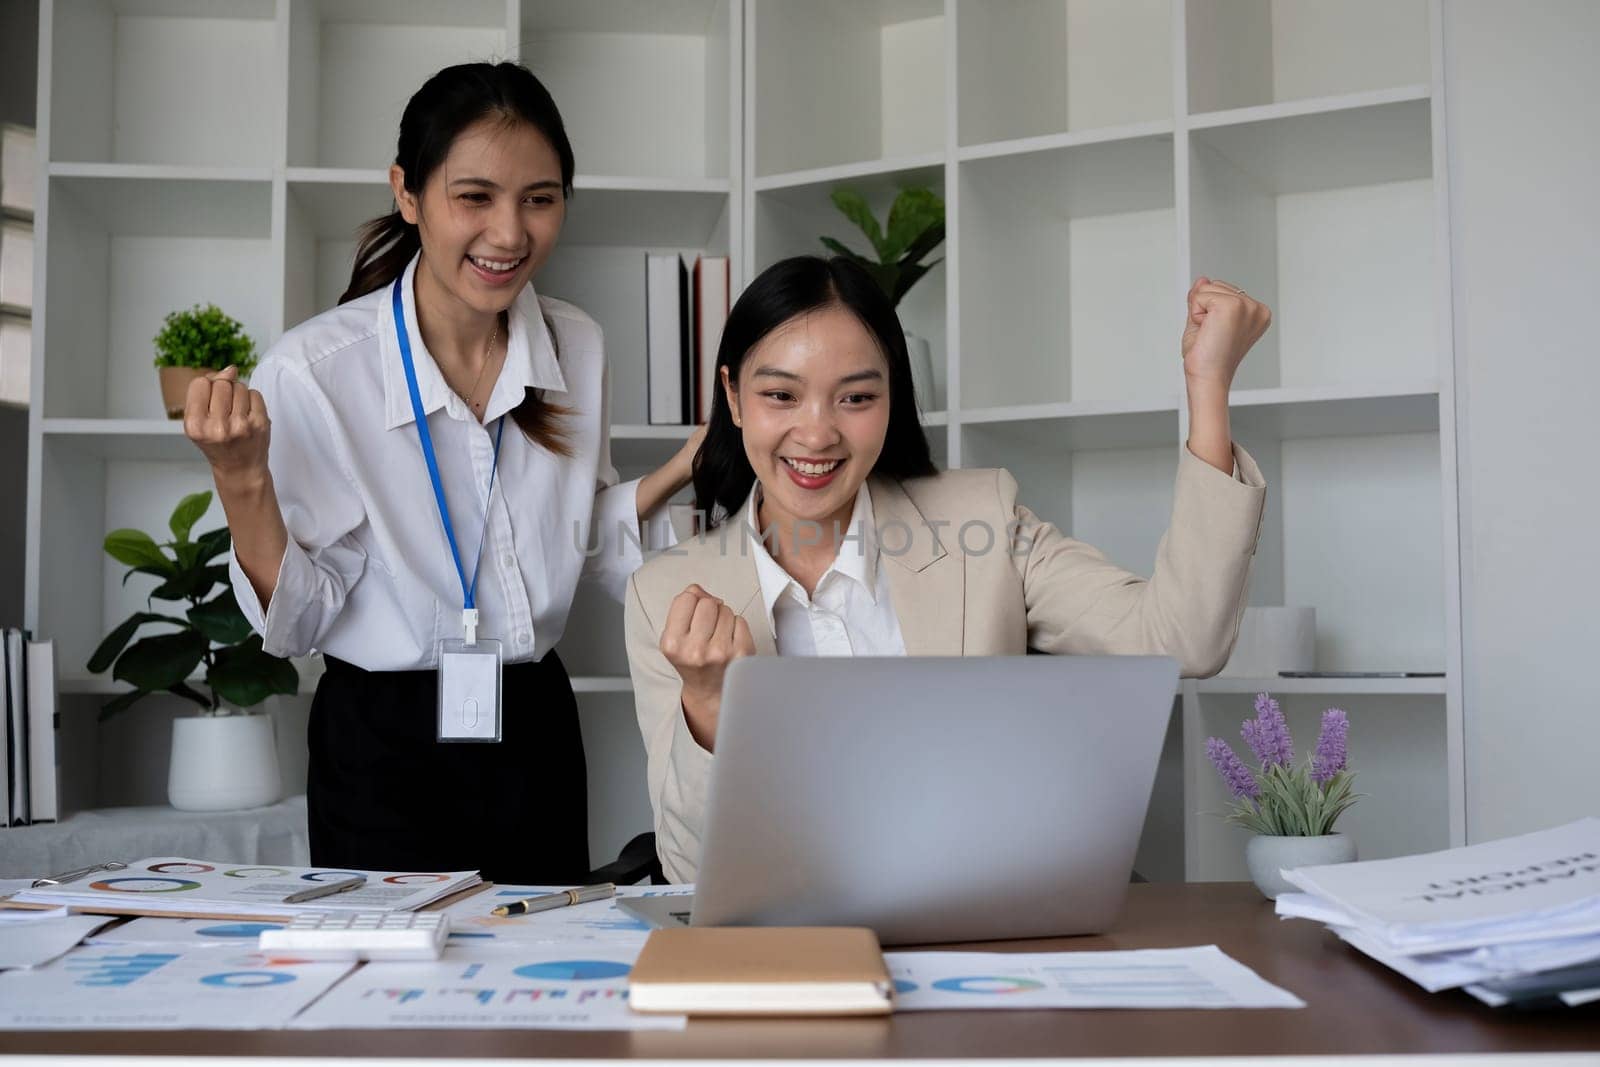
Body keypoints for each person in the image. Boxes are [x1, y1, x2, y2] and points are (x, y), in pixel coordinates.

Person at [182, 62, 697, 883]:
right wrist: (243, 478)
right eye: (475, 197)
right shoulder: (317, 371)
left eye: (540, 197)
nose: (510, 233)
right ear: (408, 193)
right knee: (395, 1000)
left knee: (545, 985)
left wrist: (668, 481)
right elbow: (302, 622)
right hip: (381, 743)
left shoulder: (579, 345)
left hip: (533, 724)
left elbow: (582, 541)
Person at [624, 255, 1271, 882]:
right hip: (798, 943)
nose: (816, 434)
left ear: (892, 396)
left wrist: (1207, 388)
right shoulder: (664, 595)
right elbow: (689, 872)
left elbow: (1182, 638)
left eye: (854, 397)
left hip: (980, 921)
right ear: (734, 397)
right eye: (780, 395)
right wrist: (707, 704)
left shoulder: (981, 522)